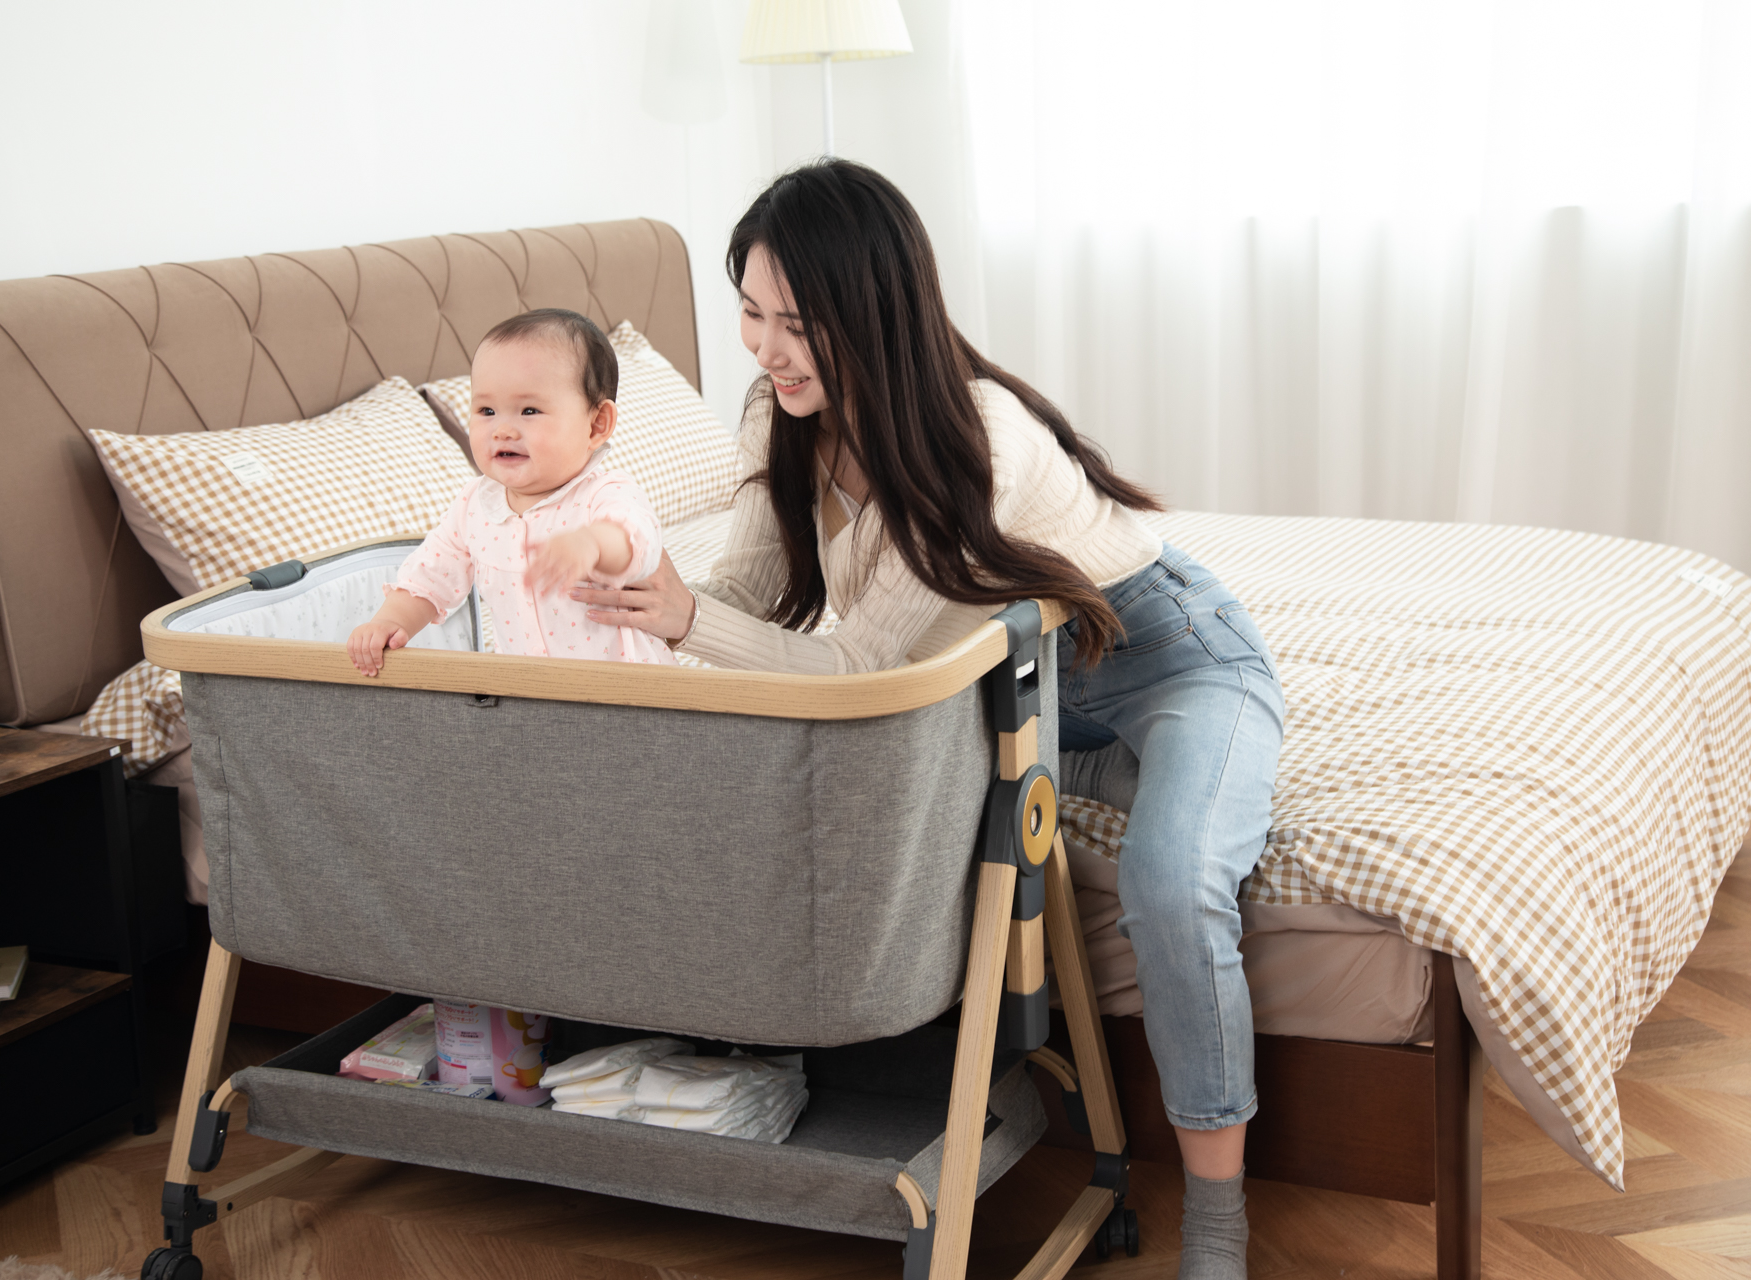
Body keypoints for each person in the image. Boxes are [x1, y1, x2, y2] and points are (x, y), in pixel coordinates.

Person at [571, 161, 1282, 1280]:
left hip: (1164, 656)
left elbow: (851, 662)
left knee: (1170, 877)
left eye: (796, 323)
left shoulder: (974, 436)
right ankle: (1098, 774)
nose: (765, 348)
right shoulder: (778, 410)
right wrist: (647, 589)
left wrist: (681, 620)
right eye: (749, 314)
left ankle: (1219, 1228)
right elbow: (752, 598)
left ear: (876, 308)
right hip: (1009, 680)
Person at [347, 308, 676, 674]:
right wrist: (388, 623)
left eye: (529, 410)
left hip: (629, 692)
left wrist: (593, 545)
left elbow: (637, 542)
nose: (502, 430)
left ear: (597, 424)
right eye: (487, 410)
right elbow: (428, 578)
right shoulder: (475, 505)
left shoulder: (603, 494)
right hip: (529, 694)